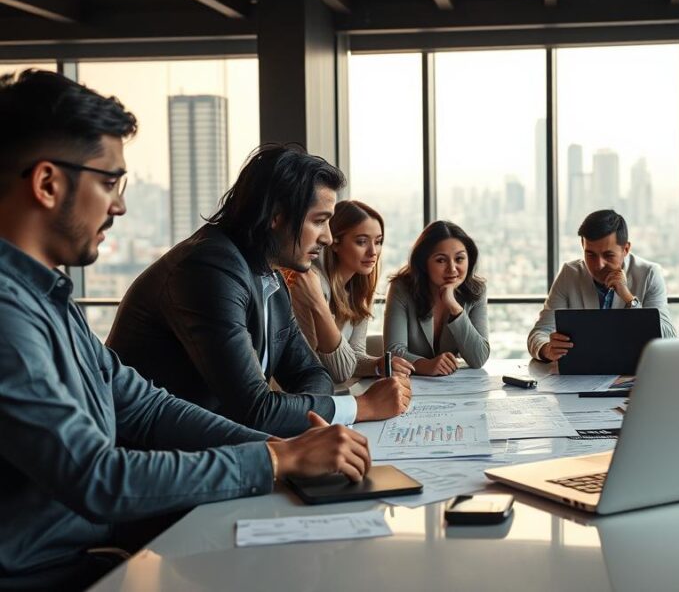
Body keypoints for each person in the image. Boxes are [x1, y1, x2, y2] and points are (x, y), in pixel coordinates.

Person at [0, 71, 372, 589]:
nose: (120, 204)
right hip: (44, 573)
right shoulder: (9, 314)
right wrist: (275, 457)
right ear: (47, 183)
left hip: (89, 553)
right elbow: (97, 478)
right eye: (109, 182)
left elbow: (148, 407)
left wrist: (286, 453)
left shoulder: (49, 299)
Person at [107, 145, 410, 438]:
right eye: (319, 221)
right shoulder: (208, 268)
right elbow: (255, 411)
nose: (328, 238)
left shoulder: (269, 276)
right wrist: (360, 406)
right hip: (156, 457)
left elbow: (312, 373)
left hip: (216, 448)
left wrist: (308, 418)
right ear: (275, 216)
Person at [285, 200, 414, 382]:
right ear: (334, 243)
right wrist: (319, 304)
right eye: (361, 242)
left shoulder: (358, 288)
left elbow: (354, 355)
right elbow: (340, 371)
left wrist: (378, 365)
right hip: (298, 396)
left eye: (378, 242)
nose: (373, 252)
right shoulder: (312, 284)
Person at [528, 209, 675, 363]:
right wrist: (546, 349)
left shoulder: (649, 274)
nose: (598, 265)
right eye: (590, 255)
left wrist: (628, 298)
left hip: (635, 373)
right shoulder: (569, 274)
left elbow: (668, 337)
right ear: (582, 246)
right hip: (582, 377)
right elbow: (539, 333)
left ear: (625, 249)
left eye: (608, 255)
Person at [384, 220, 489, 373]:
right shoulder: (402, 288)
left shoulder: (476, 291)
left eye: (459, 259)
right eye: (441, 260)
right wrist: (425, 365)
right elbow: (393, 351)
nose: (452, 269)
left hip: (453, 388)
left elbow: (479, 358)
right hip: (410, 385)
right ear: (423, 263)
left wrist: (454, 307)